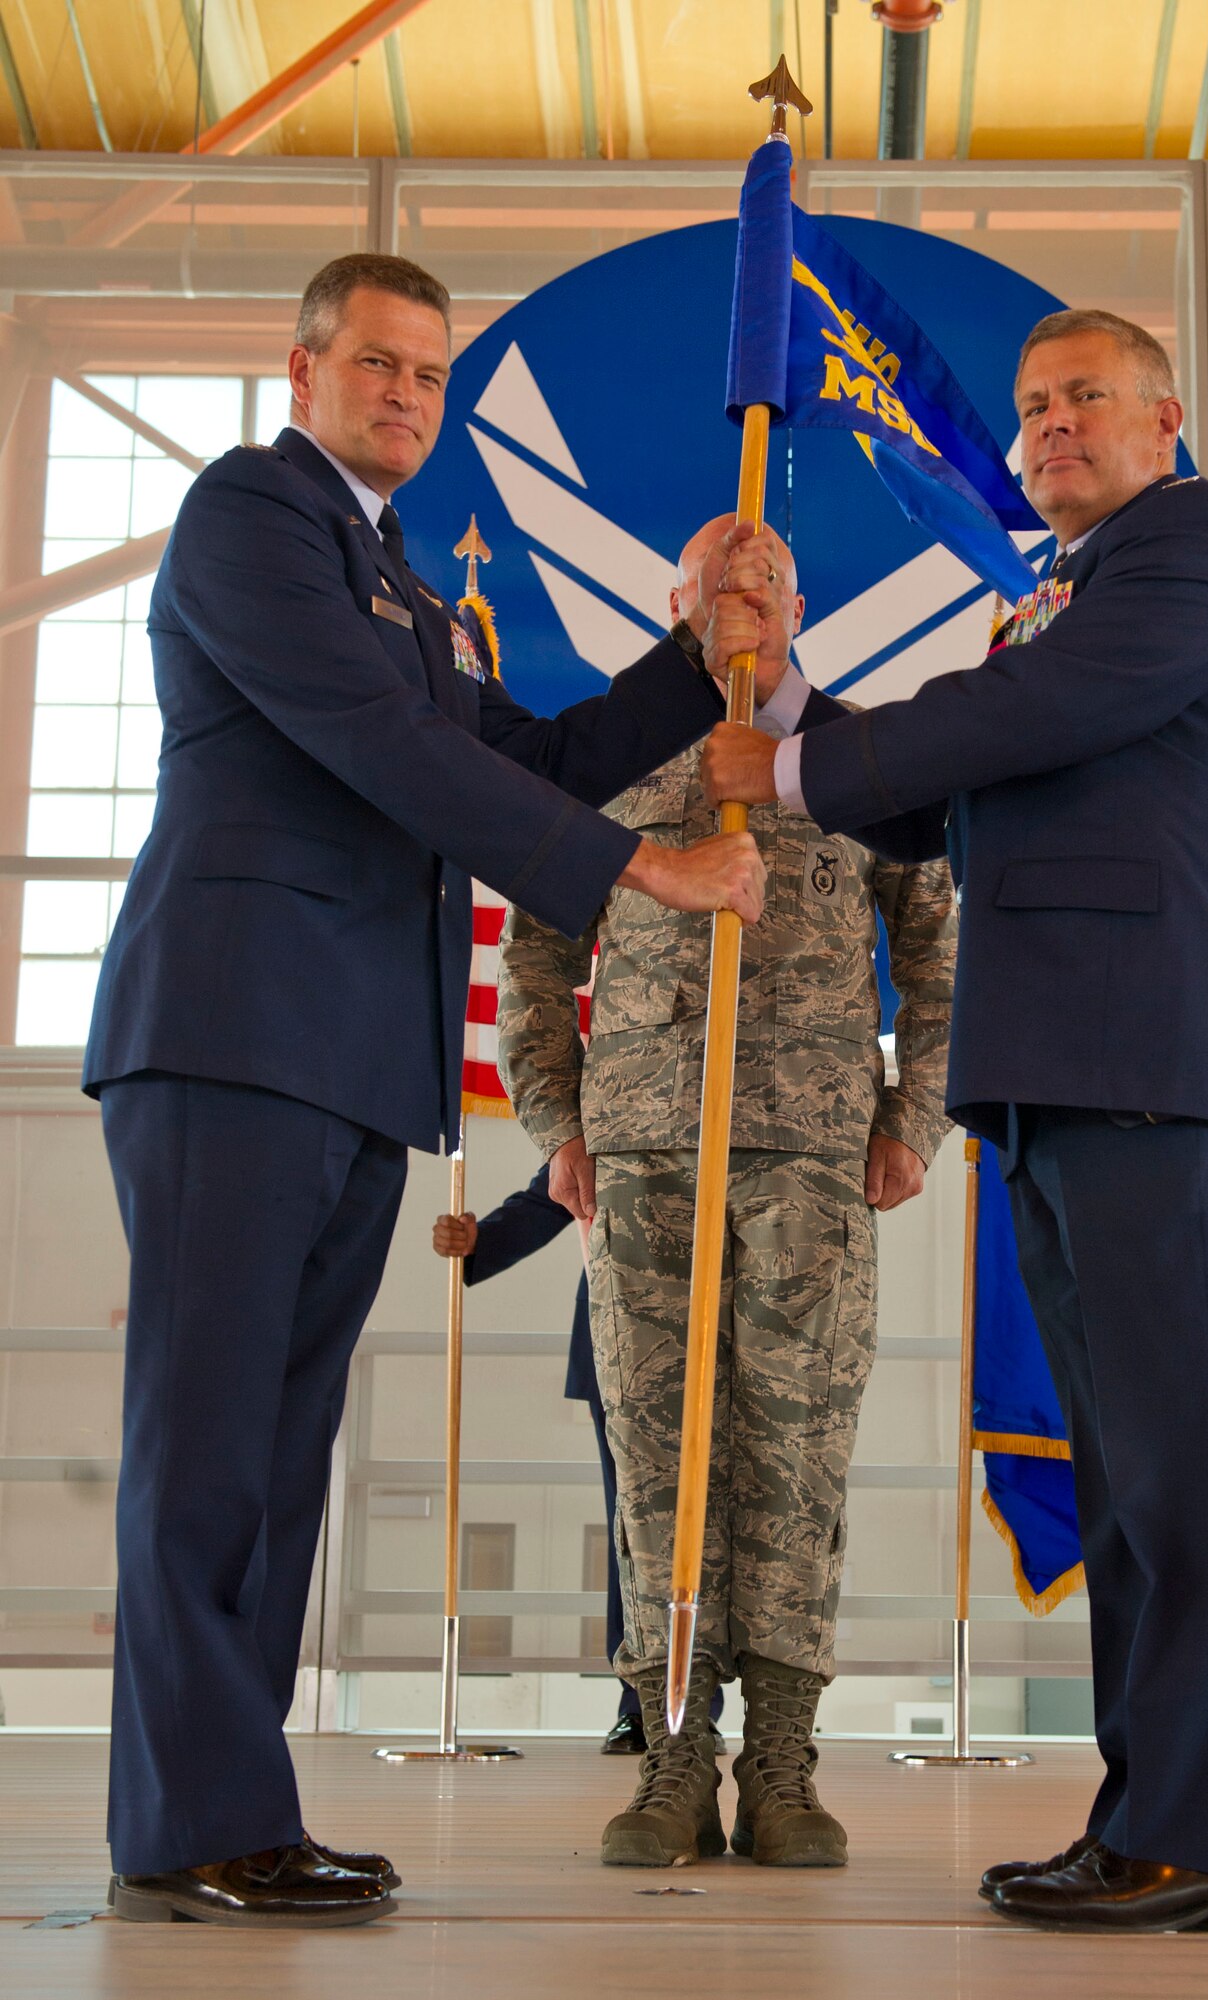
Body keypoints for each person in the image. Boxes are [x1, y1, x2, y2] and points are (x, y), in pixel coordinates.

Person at [84, 251, 765, 1929]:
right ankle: (191, 1819)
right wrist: (641, 879)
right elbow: (384, 753)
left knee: (277, 1454)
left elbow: (502, 760)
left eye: (427, 375)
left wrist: (692, 658)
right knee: (210, 1453)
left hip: (341, 1062)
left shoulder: (391, 576)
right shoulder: (250, 516)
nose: (405, 395)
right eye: (376, 363)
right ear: (299, 364)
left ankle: (227, 1810)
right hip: (231, 1035)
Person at [700, 308, 1208, 1934]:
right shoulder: (1061, 599)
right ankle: (1153, 1821)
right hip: (1058, 1060)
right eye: (1033, 404)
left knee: (1175, 1461)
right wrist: (784, 707)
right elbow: (944, 785)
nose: (1049, 426)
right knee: (1124, 1461)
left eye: (1085, 400)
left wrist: (785, 779)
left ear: (1167, 420)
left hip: (1149, 1049)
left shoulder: (1185, 553)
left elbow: (1015, 729)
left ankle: (1197, 1834)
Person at [498, 515, 956, 1871]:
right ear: (676, 601)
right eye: (720, 585)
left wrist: (915, 1118)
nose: (746, 601)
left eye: (768, 583)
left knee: (794, 1462)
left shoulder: (862, 758)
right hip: (643, 1156)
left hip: (811, 1160)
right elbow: (534, 947)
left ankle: (785, 1763)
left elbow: (938, 948)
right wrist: (557, 1119)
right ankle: (675, 1758)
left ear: (803, 603)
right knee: (658, 1461)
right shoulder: (609, 751)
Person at [431, 1167, 726, 1753]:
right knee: (632, 1529)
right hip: (616, 1338)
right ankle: (641, 1705)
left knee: (707, 1527)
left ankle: (696, 1705)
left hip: (717, 1331)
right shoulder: (611, 1095)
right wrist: (478, 1243)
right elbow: (550, 1194)